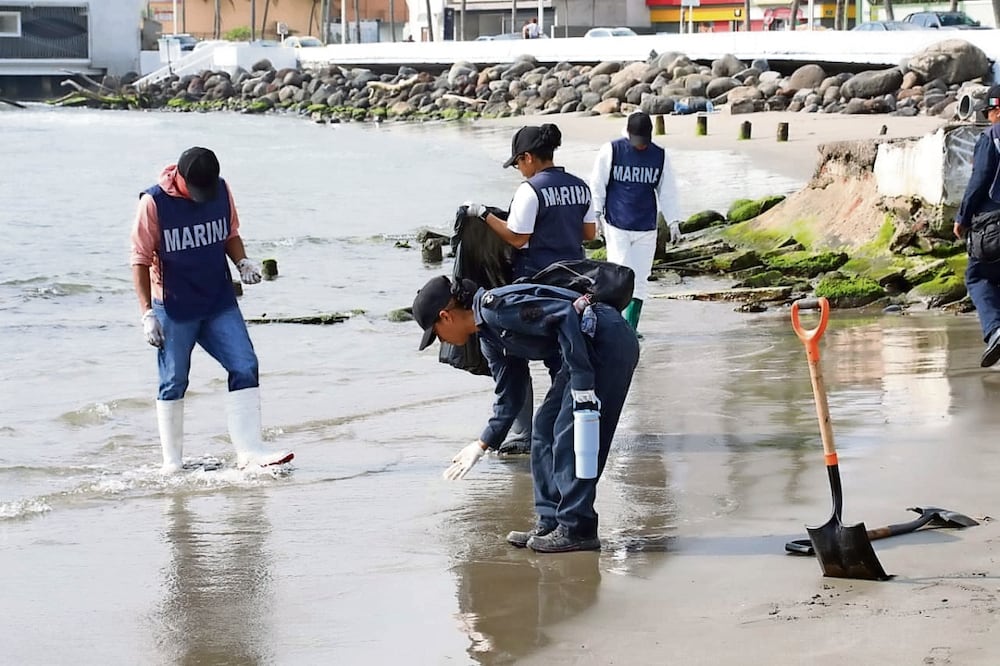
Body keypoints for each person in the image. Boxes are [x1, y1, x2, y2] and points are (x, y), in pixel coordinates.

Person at [412, 275, 639, 552]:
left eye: (435, 334)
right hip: (582, 352)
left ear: (446, 317)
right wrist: (482, 444)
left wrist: (582, 383)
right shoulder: (489, 338)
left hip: (606, 341)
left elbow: (564, 315)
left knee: (570, 435)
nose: (440, 341)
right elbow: (510, 396)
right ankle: (551, 521)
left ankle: (578, 528)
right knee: (543, 429)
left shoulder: (496, 309)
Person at [130, 146, 294, 473]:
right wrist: (147, 313)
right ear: (180, 178)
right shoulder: (153, 203)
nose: (203, 196)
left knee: (245, 364)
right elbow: (140, 258)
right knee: (174, 379)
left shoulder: (221, 190)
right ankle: (172, 464)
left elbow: (230, 233)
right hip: (174, 306)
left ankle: (249, 452)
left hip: (218, 299)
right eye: (196, 190)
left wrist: (242, 262)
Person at [463, 124, 599, 455]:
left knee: (511, 354)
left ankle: (526, 435)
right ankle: (563, 426)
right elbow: (590, 234)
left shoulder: (531, 190)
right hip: (574, 282)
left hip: (536, 286)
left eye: (518, 164)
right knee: (562, 359)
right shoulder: (580, 187)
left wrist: (482, 215)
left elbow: (517, 237)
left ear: (528, 158)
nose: (519, 171)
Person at [589, 110, 681, 335]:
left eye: (644, 142)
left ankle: (631, 329)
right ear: (628, 133)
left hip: (646, 226)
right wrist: (596, 214)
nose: (640, 147)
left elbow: (667, 191)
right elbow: (597, 184)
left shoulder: (660, 155)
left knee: (640, 279)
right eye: (636, 142)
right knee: (619, 277)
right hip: (617, 223)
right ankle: (615, 327)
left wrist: (674, 221)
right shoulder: (612, 150)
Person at [955, 85, 1000, 368]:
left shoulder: (992, 137)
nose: (988, 117)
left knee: (977, 277)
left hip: (993, 223)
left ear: (996, 110)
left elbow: (980, 179)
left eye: (989, 112)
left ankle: (996, 331)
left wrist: (962, 217)